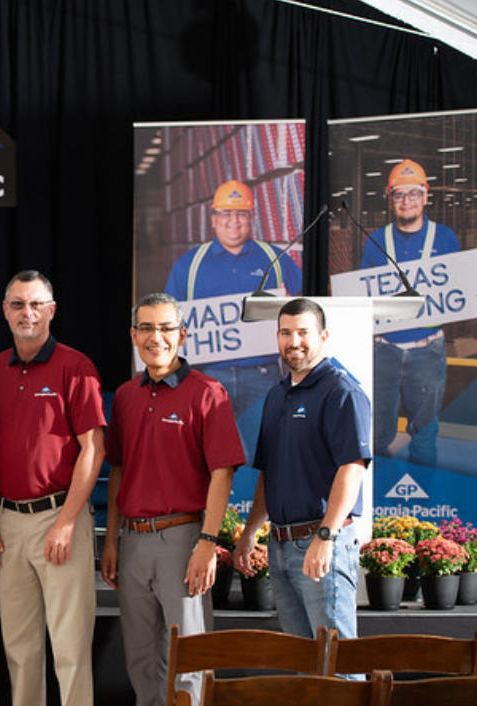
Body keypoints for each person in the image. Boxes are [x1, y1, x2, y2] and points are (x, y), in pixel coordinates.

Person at [102, 293, 243, 706]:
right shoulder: (126, 396)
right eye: (146, 328)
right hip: (133, 542)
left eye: (165, 328)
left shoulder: (207, 393)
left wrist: (208, 542)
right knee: (140, 659)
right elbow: (119, 472)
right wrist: (111, 541)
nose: (155, 337)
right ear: (133, 335)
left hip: (184, 539)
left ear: (182, 335)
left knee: (189, 659)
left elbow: (223, 472)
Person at [0, 270, 106, 706]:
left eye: (35, 304)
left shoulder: (76, 367)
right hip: (8, 522)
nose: (26, 312)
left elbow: (94, 448)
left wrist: (67, 521)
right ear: (5, 311)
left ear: (51, 310)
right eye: (17, 304)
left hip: (59, 517)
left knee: (70, 650)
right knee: (20, 648)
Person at [234, 297, 370, 641]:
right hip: (280, 546)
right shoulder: (278, 395)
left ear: (323, 336)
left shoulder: (341, 390)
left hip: (320, 542)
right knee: (303, 664)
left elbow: (351, 468)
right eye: (285, 333)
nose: (293, 342)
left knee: (336, 661)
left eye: (303, 332)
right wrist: (250, 533)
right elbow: (270, 472)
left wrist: (326, 537)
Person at [360, 159, 477, 468]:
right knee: (376, 434)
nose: (407, 201)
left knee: (425, 433)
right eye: (399, 195)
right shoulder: (377, 240)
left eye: (413, 194)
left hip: (427, 350)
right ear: (390, 199)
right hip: (384, 349)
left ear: (425, 196)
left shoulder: (445, 238)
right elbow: (363, 292)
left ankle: (424, 504)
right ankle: (381, 500)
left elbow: (458, 290)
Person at [164, 179, 302, 458]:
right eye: (225, 214)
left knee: (264, 454)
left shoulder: (275, 258)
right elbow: (167, 320)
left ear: (251, 218)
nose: (233, 221)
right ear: (213, 219)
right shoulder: (189, 264)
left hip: (263, 375)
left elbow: (306, 307)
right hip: (209, 376)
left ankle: (256, 504)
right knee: (209, 455)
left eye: (241, 213)